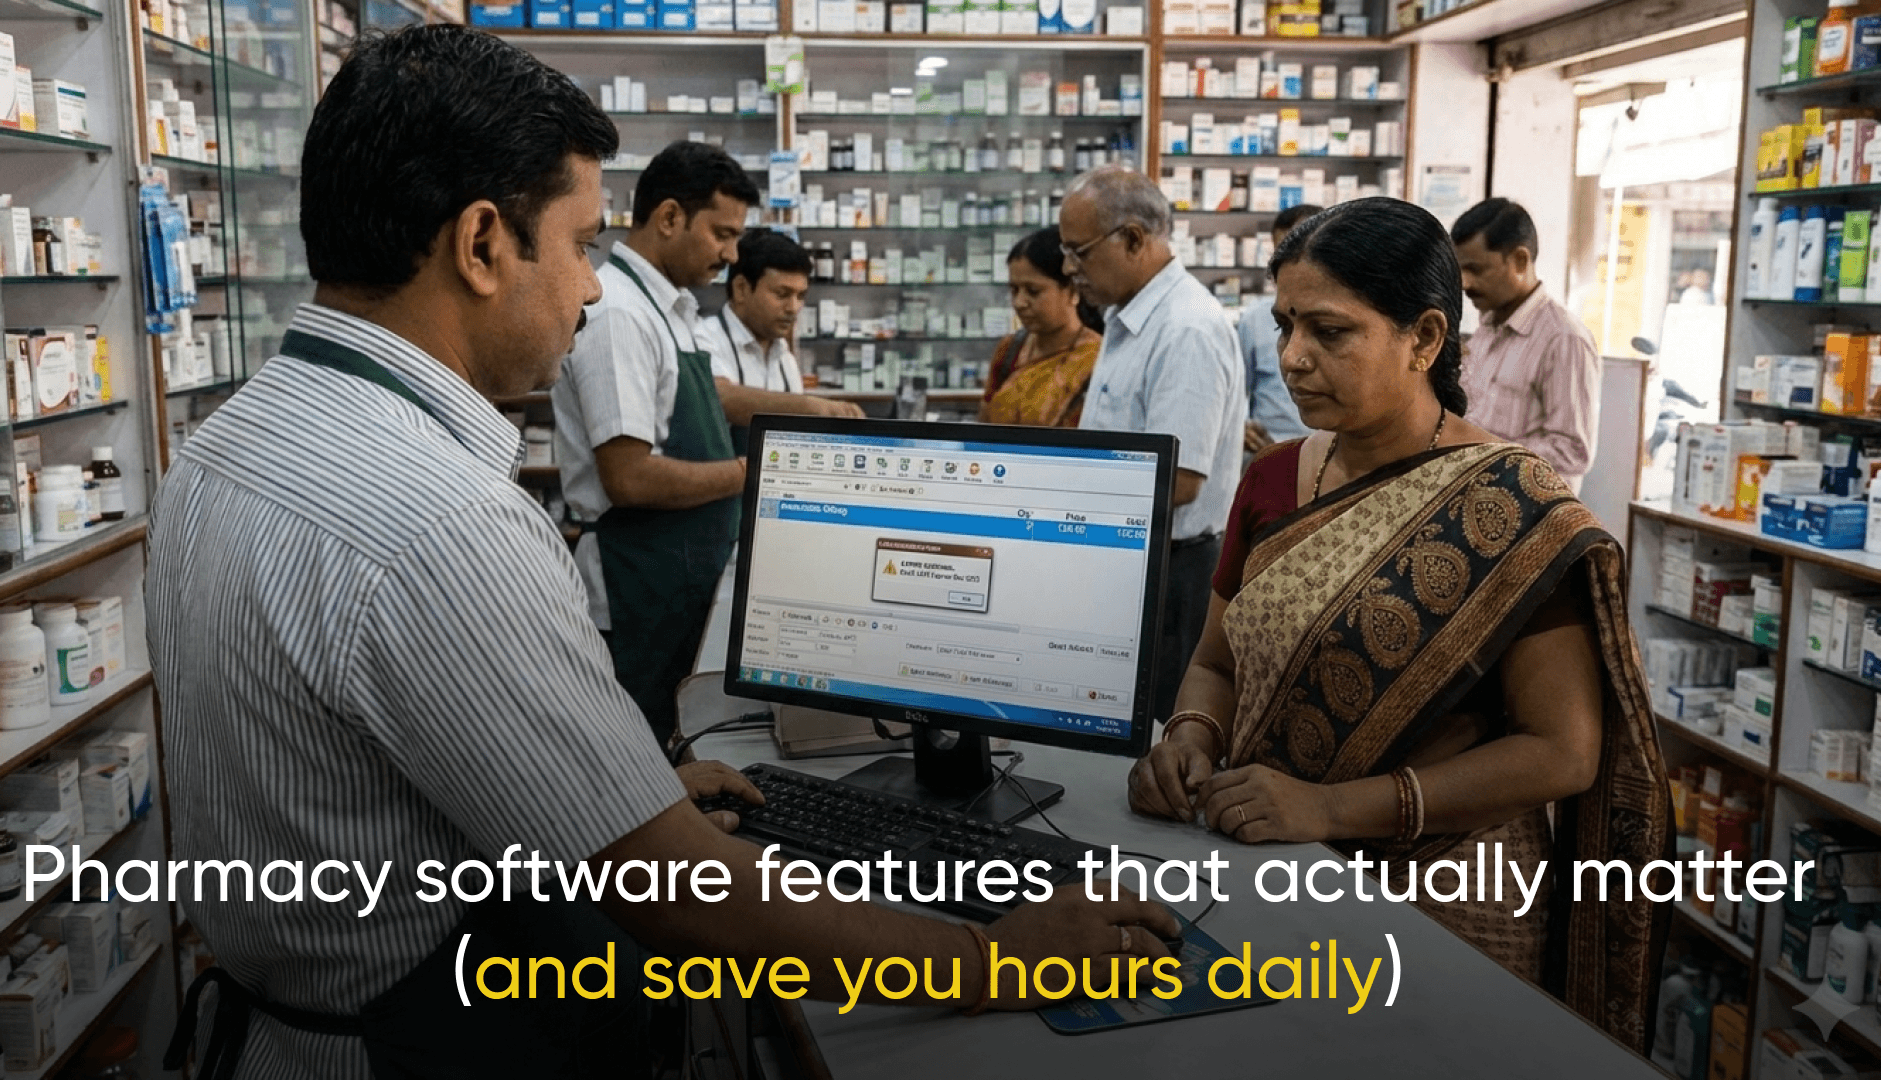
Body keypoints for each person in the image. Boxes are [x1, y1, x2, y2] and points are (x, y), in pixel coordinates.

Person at [147, 27, 1174, 1080]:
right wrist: (989, 958)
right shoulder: (440, 522)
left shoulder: (232, 440)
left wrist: (632, 785)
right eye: (584, 244)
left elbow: (373, 774)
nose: (592, 289)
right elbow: (678, 896)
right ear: (484, 244)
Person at [1125, 197, 1670, 1053]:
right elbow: (1216, 666)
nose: (1294, 357)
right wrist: (1190, 737)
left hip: (1446, 901)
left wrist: (1332, 809)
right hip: (1270, 859)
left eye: (1331, 332)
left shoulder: (1514, 510)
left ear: (1424, 339)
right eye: (1285, 325)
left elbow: (1562, 751)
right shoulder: (1271, 483)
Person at [552, 140, 757, 745]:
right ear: (669, 217)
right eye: (722, 233)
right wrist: (753, 471)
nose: (732, 254)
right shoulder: (619, 312)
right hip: (637, 582)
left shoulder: (670, 308)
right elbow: (630, 476)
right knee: (638, 756)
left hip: (677, 576)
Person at [1059, 165, 1245, 728]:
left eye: (1078, 252)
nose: (1069, 270)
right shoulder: (1129, 319)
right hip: (1126, 557)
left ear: (1134, 239)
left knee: (1154, 732)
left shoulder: (1186, 328)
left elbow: (1182, 482)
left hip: (1172, 571)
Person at [1451, 197, 1601, 493]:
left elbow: (1573, 451)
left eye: (1476, 270)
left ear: (1520, 261)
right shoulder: (1487, 329)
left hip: (1531, 517)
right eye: (1461, 270)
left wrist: (1482, 451)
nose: (1465, 283)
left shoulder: (1563, 339)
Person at [695, 227, 863, 455]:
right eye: (782, 294)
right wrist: (810, 407)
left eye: (800, 296)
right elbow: (718, 397)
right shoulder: (704, 338)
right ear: (742, 289)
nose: (793, 308)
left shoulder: (784, 356)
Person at [979, 225, 1103, 427]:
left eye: (1033, 291)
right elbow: (984, 424)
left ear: (1072, 290)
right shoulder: (1009, 350)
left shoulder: (1098, 358)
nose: (1019, 302)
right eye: (1014, 290)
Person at [1238, 203, 1321, 453]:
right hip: (1270, 451)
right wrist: (1243, 429)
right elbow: (1237, 394)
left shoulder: (1353, 316)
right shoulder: (1254, 319)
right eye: (1280, 255)